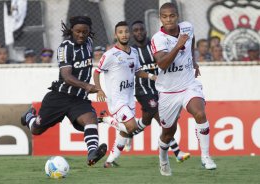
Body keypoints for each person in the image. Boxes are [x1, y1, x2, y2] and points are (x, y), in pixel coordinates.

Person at [20, 16, 107, 166]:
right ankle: (29, 117)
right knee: (36, 130)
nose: (81, 35)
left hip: (78, 98)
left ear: (89, 32)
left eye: (85, 32)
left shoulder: (89, 43)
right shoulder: (64, 48)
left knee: (90, 118)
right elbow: (66, 76)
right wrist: (87, 86)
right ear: (71, 30)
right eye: (78, 31)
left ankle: (92, 152)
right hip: (59, 97)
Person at [151, 3, 217, 176]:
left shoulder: (187, 27)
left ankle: (206, 157)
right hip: (168, 92)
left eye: (171, 16)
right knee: (167, 133)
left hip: (188, 85)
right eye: (164, 17)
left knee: (200, 114)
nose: (168, 19)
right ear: (161, 19)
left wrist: (193, 60)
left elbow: (191, 39)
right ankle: (163, 160)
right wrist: (179, 45)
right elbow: (162, 64)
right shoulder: (158, 39)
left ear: (177, 16)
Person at [124, 20, 190, 162]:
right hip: (142, 89)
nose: (139, 32)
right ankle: (177, 153)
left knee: (146, 120)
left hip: (161, 88)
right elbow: (131, 71)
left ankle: (128, 133)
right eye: (135, 30)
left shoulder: (155, 45)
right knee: (162, 119)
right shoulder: (132, 51)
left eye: (141, 29)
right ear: (132, 33)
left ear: (146, 30)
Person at [93, 21, 156, 168]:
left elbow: (137, 71)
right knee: (132, 127)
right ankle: (106, 120)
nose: (124, 34)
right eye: (120, 32)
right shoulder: (110, 54)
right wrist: (99, 90)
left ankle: (109, 161)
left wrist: (152, 77)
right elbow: (96, 72)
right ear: (116, 35)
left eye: (126, 32)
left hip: (129, 98)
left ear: (129, 34)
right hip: (117, 100)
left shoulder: (133, 52)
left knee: (124, 133)